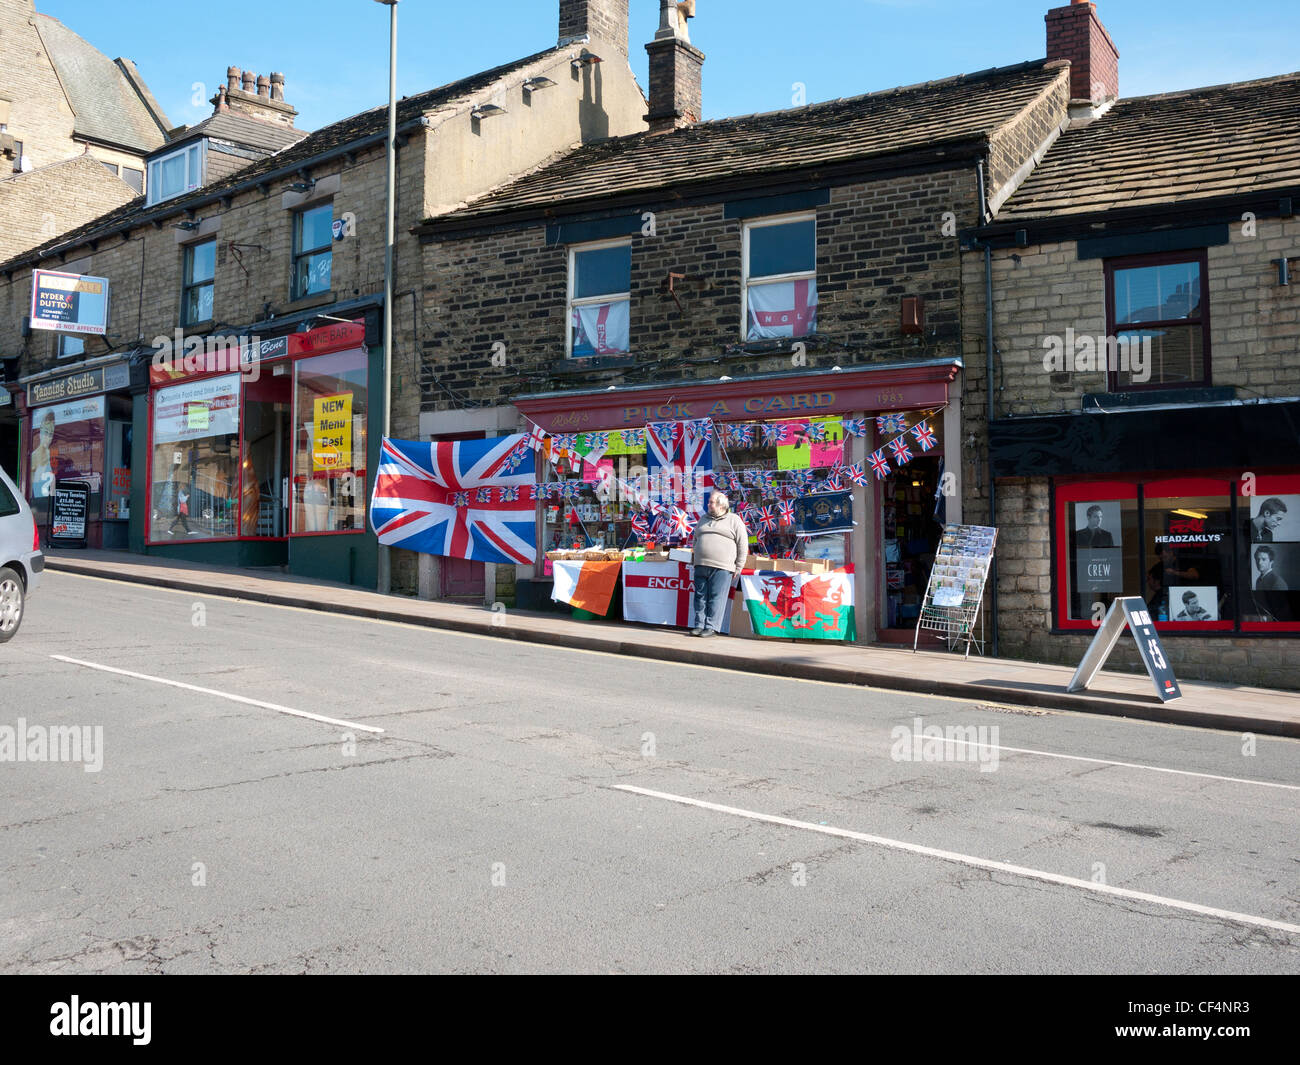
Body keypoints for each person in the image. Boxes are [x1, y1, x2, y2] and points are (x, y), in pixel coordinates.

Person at [690, 491, 748, 637]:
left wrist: (739, 567)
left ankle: (711, 627)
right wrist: (695, 559)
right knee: (700, 596)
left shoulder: (734, 520)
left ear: (721, 505)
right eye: (709, 502)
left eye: (711, 502)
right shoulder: (703, 519)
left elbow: (743, 545)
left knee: (716, 597)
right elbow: (695, 539)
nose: (708, 504)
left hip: (722, 567)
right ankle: (698, 624)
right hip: (701, 564)